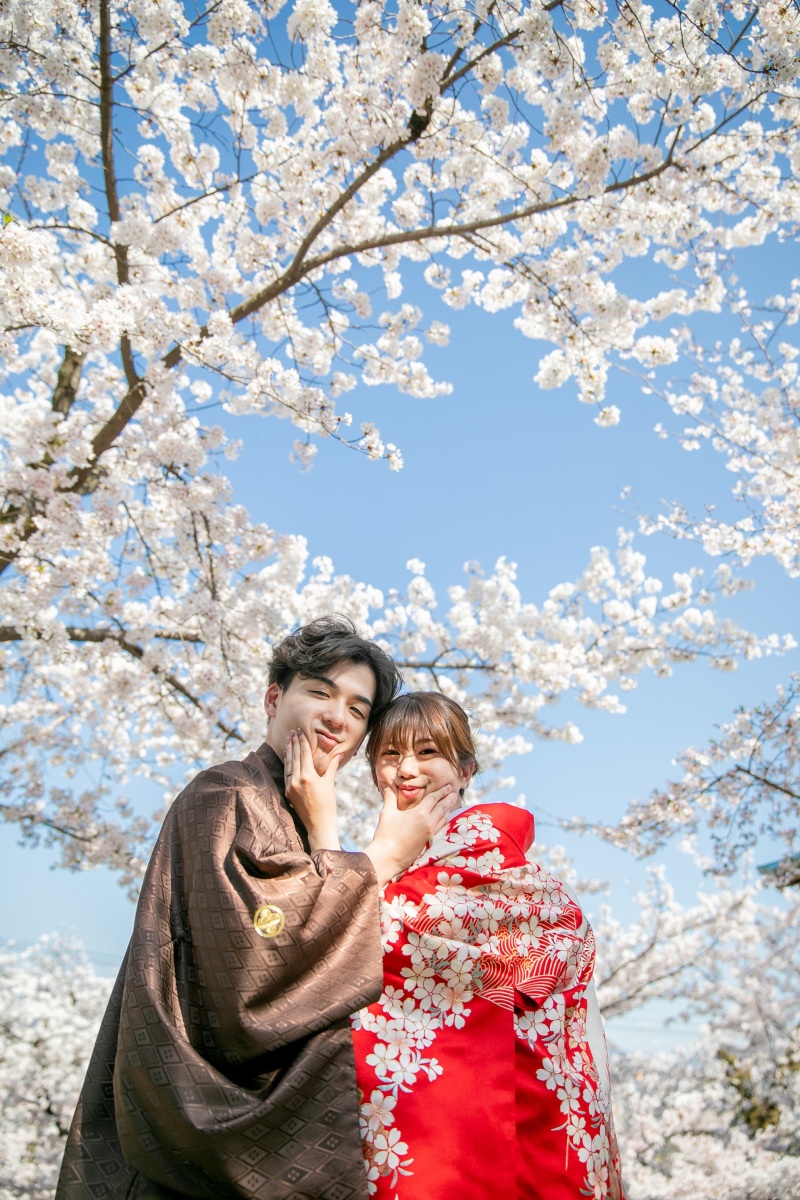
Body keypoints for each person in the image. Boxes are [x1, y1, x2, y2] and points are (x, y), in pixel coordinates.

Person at [56, 617, 460, 1200]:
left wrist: (328, 840)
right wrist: (376, 861)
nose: (336, 718)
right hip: (195, 1115)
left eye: (357, 709)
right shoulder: (225, 794)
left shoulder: (297, 814)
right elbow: (251, 955)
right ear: (274, 698)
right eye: (319, 692)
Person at [351, 691, 625, 1200]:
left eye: (428, 752)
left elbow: (559, 948)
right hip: (436, 1117)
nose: (407, 768)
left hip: (529, 1107)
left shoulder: (489, 852)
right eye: (390, 754)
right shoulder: (386, 866)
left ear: (465, 769)